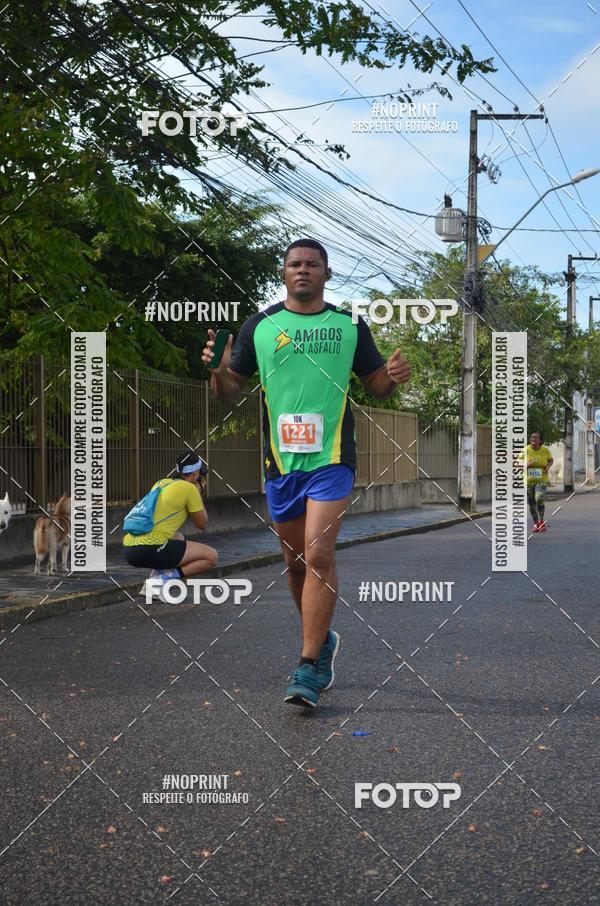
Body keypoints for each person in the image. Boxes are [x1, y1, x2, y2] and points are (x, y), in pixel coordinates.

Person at [201, 238, 410, 708]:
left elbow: (375, 385)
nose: (303, 270)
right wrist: (217, 371)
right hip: (281, 464)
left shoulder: (349, 325)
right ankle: (323, 639)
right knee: (295, 564)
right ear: (283, 273)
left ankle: (308, 664)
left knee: (318, 555)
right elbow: (230, 390)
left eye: (312, 264)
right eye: (295, 264)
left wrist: (392, 376)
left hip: (332, 459)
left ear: (326, 274)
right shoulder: (260, 326)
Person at [122, 451, 218, 602]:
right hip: (149, 548)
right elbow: (202, 524)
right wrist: (198, 494)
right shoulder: (190, 489)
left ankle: (153, 583)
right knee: (211, 556)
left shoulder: (161, 483)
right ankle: (163, 580)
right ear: (195, 473)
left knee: (178, 537)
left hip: (129, 549)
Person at [517, 431, 554, 533]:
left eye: (536, 437)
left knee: (539, 498)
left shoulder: (545, 450)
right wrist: (526, 465)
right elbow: (517, 463)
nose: (533, 439)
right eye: (532, 437)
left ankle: (541, 522)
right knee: (532, 503)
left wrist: (548, 466)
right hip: (528, 481)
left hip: (542, 479)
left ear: (540, 440)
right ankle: (536, 523)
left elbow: (551, 460)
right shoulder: (526, 450)